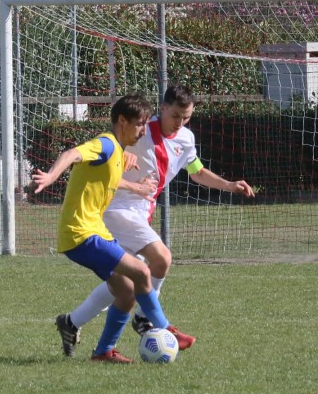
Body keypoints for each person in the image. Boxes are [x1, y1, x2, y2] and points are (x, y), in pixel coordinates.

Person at [62, 85, 255, 348]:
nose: (180, 122)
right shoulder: (139, 130)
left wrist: (230, 185)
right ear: (163, 109)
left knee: (125, 285)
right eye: (176, 115)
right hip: (117, 210)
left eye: (186, 117)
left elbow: (196, 171)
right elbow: (106, 151)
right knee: (161, 257)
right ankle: (145, 320)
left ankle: (72, 322)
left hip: (140, 216)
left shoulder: (186, 138)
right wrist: (121, 152)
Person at [31, 92, 195, 363]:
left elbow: (108, 179)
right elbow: (73, 153)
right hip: (81, 233)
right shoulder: (106, 144)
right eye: (140, 124)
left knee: (126, 291)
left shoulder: (118, 152)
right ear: (122, 121)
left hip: (95, 231)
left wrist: (134, 181)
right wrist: (50, 176)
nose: (143, 131)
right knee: (143, 270)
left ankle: (103, 351)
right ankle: (166, 329)